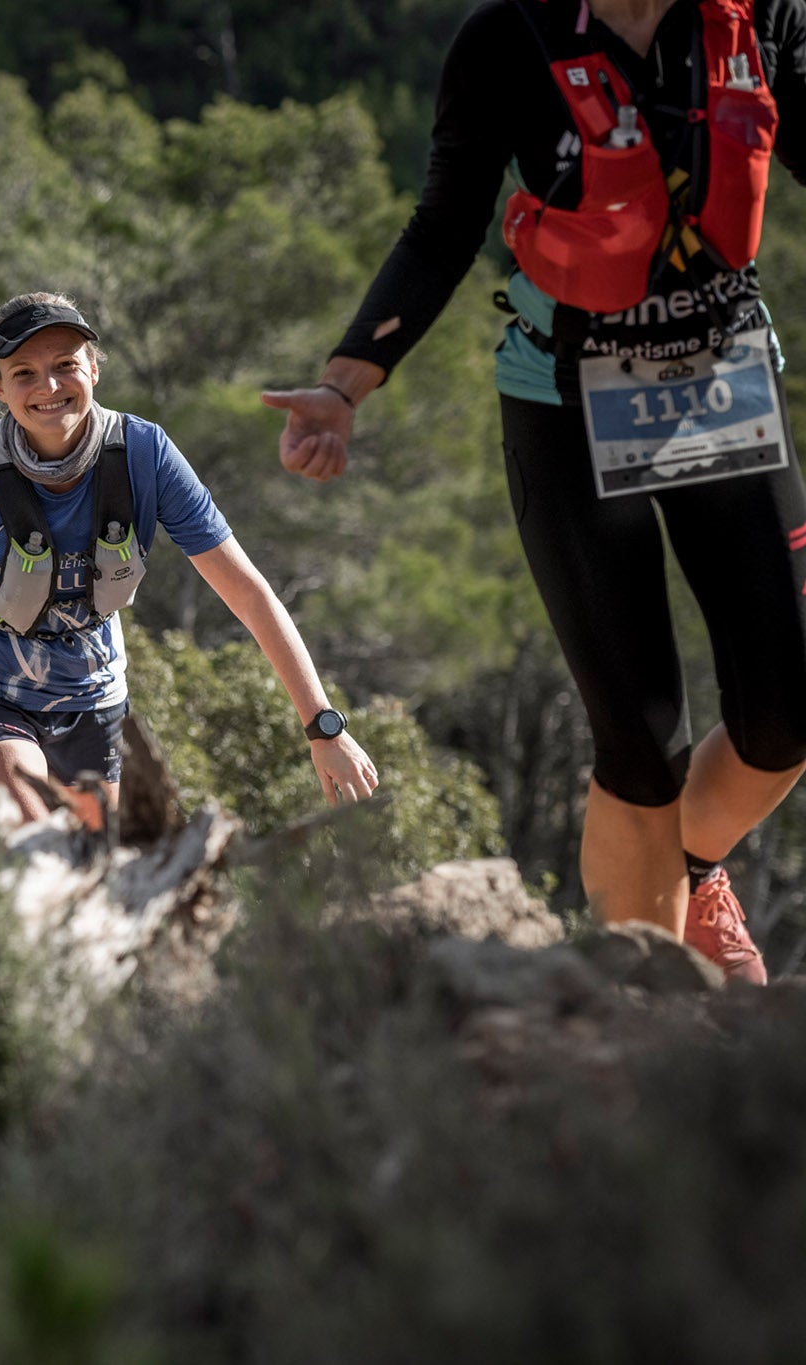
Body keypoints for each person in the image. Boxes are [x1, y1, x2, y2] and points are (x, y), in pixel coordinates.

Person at [265, 0, 806, 983]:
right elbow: (443, 225)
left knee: (788, 709)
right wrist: (345, 383)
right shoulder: (506, 39)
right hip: (566, 394)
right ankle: (646, 992)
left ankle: (689, 862)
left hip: (722, 380)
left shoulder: (759, 14)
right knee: (639, 739)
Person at [0, 293, 379, 825]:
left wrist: (323, 729)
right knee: (30, 829)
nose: (48, 386)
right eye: (23, 372)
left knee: (111, 865)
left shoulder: (145, 454)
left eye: (66, 364)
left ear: (94, 369)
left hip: (88, 692)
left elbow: (249, 594)